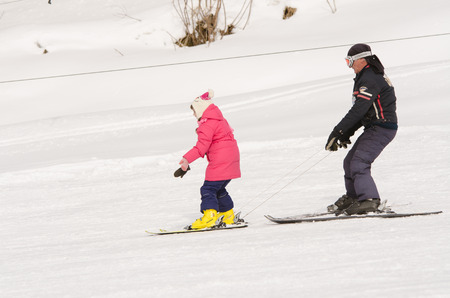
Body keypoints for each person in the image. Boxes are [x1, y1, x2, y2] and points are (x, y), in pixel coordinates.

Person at [325, 43, 398, 215]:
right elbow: (364, 111)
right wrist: (346, 133)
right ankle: (354, 196)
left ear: (362, 60)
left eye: (350, 61)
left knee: (359, 163)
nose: (349, 66)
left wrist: (339, 132)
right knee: (349, 162)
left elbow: (359, 109)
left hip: (382, 127)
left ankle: (369, 200)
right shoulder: (366, 76)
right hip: (375, 126)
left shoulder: (370, 78)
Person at [176, 89, 241, 229]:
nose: (193, 115)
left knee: (208, 189)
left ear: (201, 109)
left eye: (194, 111)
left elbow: (201, 147)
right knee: (219, 188)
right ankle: (228, 214)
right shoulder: (220, 120)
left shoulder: (207, 124)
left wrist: (186, 160)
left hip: (220, 161)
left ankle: (210, 217)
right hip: (232, 159)